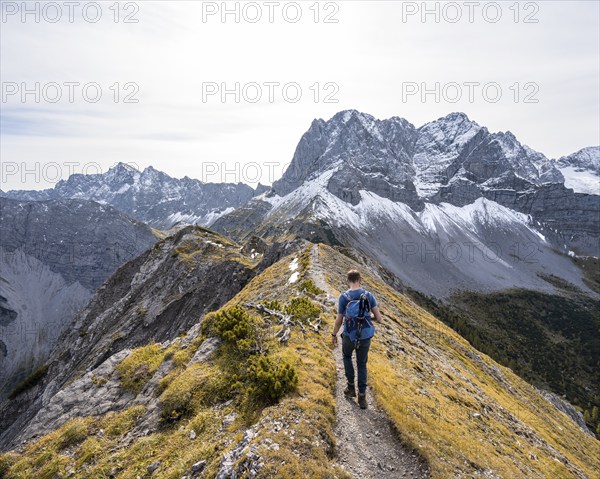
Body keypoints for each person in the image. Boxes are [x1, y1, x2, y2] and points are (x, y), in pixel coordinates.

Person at [331, 269, 382, 409]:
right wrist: (367, 317)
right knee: (362, 364)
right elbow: (379, 318)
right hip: (365, 336)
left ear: (347, 281)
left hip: (349, 335)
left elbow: (339, 320)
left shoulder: (344, 297)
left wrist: (334, 334)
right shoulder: (368, 295)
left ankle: (351, 388)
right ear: (360, 279)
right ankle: (363, 397)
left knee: (347, 357)